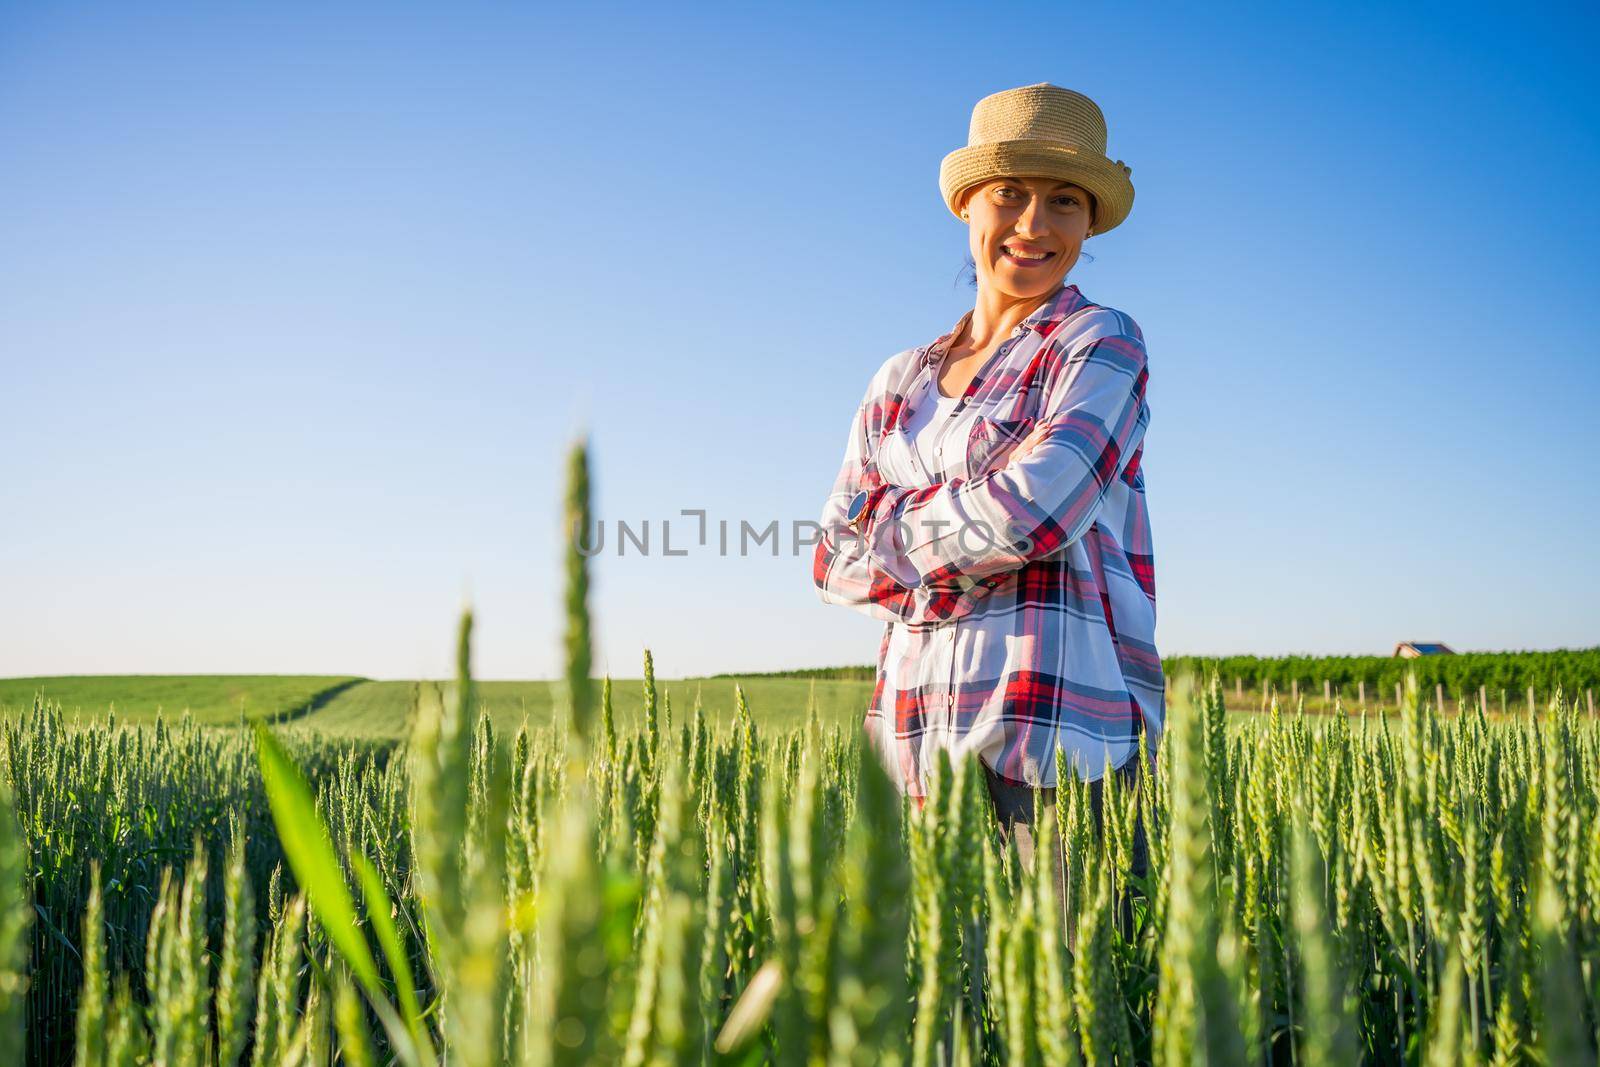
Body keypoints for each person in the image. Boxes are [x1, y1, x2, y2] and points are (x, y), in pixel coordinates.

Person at [812, 83, 1161, 905]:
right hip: (914, 760)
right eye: (1011, 193)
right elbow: (829, 556)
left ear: (1087, 224)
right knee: (946, 1026)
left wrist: (891, 522)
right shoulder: (900, 379)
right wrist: (969, 516)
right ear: (968, 204)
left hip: (1058, 758)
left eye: (1064, 201)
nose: (1035, 224)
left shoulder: (1100, 343)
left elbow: (1034, 514)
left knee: (1077, 1020)